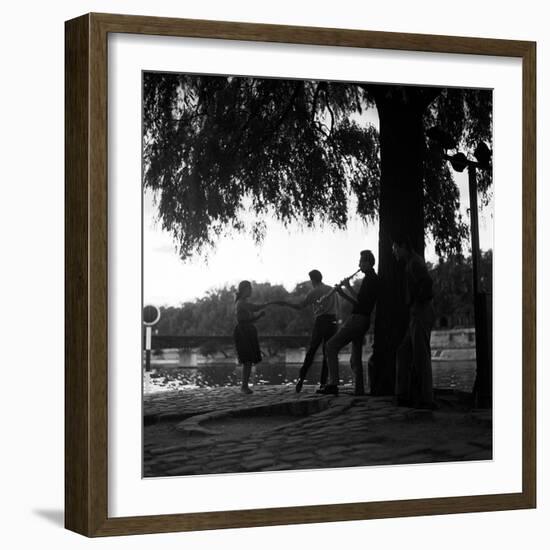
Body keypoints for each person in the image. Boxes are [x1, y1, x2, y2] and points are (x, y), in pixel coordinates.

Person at [319, 250, 379, 396]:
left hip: (357, 320)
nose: (358, 265)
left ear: (367, 262)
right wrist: (343, 293)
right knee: (355, 358)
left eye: (361, 262)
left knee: (330, 346)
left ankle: (333, 384)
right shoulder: (370, 278)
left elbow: (360, 301)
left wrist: (348, 286)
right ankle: (359, 390)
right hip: (362, 320)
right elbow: (360, 304)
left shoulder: (371, 279)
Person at [269, 270, 338, 393]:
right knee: (328, 353)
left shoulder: (314, 291)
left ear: (313, 280)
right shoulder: (332, 290)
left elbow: (300, 306)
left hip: (321, 321)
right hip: (333, 322)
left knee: (312, 350)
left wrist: (285, 303)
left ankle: (301, 378)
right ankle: (323, 383)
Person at [392, 238, 435, 409]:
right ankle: (404, 394)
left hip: (421, 312)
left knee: (421, 356)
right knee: (403, 352)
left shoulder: (415, 263)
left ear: (403, 245)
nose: (393, 252)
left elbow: (427, 284)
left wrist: (416, 303)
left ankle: (426, 399)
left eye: (395, 247)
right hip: (417, 312)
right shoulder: (412, 262)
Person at [233, 280, 267, 394]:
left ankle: (245, 386)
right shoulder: (241, 303)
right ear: (244, 290)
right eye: (250, 288)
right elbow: (254, 307)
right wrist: (265, 305)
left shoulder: (244, 303)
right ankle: (244, 387)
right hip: (243, 332)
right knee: (247, 359)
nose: (251, 290)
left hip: (248, 331)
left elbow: (250, 319)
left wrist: (260, 316)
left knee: (249, 360)